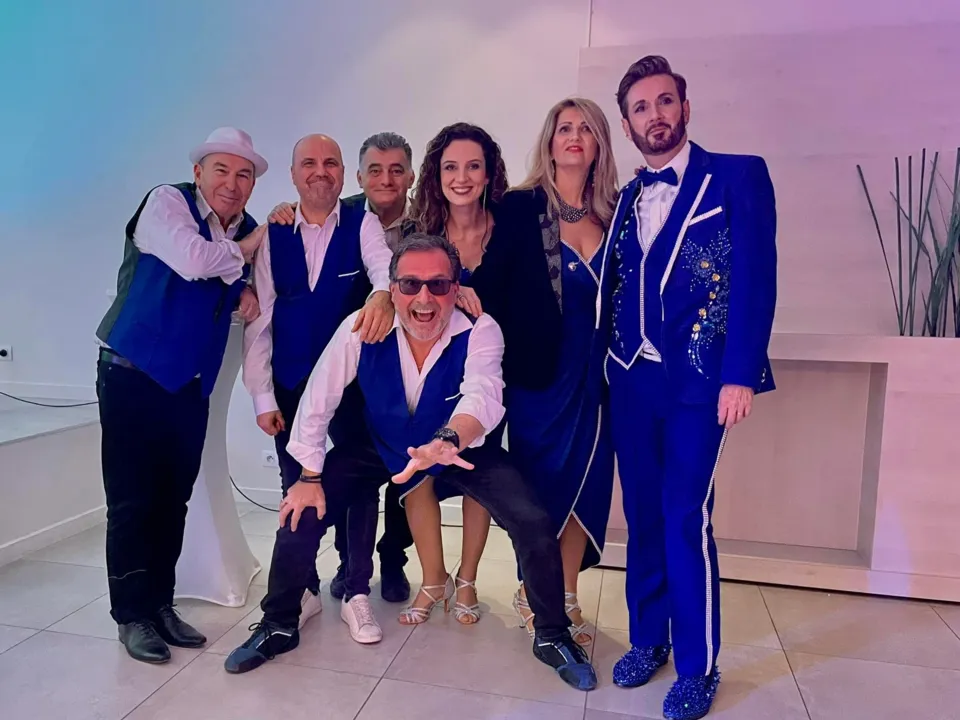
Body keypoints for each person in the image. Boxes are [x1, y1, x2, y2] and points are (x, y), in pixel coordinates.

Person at [223, 234, 597, 691]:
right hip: (383, 444)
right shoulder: (361, 327)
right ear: (393, 288)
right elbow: (319, 399)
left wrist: (446, 440)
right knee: (300, 513)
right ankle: (278, 624)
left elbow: (483, 396)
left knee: (533, 521)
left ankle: (553, 634)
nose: (424, 298)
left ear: (455, 288)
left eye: (438, 285)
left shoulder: (480, 329)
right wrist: (308, 476)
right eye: (410, 284)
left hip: (457, 447)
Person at [599, 56, 777, 719]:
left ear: (685, 108)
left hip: (701, 384)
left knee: (684, 514)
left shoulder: (737, 175)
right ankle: (650, 639)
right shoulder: (627, 198)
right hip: (630, 379)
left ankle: (699, 666)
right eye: (641, 107)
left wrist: (741, 373)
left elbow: (757, 277)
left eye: (665, 101)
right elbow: (619, 286)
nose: (656, 115)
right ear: (627, 124)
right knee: (642, 515)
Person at [95, 127, 268, 664]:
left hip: (190, 385)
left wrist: (244, 284)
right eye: (222, 170)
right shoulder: (166, 202)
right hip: (131, 373)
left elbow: (235, 283)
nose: (232, 183)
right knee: (132, 502)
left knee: (174, 500)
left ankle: (160, 604)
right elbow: (193, 260)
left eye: (244, 175)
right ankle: (131, 616)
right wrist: (242, 255)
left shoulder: (247, 228)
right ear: (198, 172)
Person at [241, 133, 396, 643]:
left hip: (353, 386)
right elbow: (260, 320)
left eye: (330, 162)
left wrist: (382, 295)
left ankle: (356, 588)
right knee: (296, 486)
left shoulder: (362, 222)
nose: (320, 171)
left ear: (343, 174)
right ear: (293, 174)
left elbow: (383, 267)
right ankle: (303, 587)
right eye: (309, 162)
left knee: (358, 487)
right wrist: (262, 395)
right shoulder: (275, 232)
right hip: (288, 381)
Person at [266, 132, 418, 605]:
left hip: (383, 371)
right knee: (314, 474)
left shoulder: (419, 223)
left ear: (410, 176)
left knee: (387, 474)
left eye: (396, 170)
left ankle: (379, 567)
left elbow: (390, 271)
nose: (385, 179)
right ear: (360, 176)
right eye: (375, 170)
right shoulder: (327, 213)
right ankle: (314, 575)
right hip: (311, 369)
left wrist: (384, 295)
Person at [491, 98, 619, 647]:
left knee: (588, 482)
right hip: (539, 376)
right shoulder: (521, 207)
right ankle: (533, 590)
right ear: (549, 141)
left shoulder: (616, 211)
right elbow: (493, 283)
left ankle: (565, 595)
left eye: (585, 129)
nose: (574, 137)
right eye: (564, 128)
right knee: (541, 485)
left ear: (599, 143)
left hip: (599, 376)